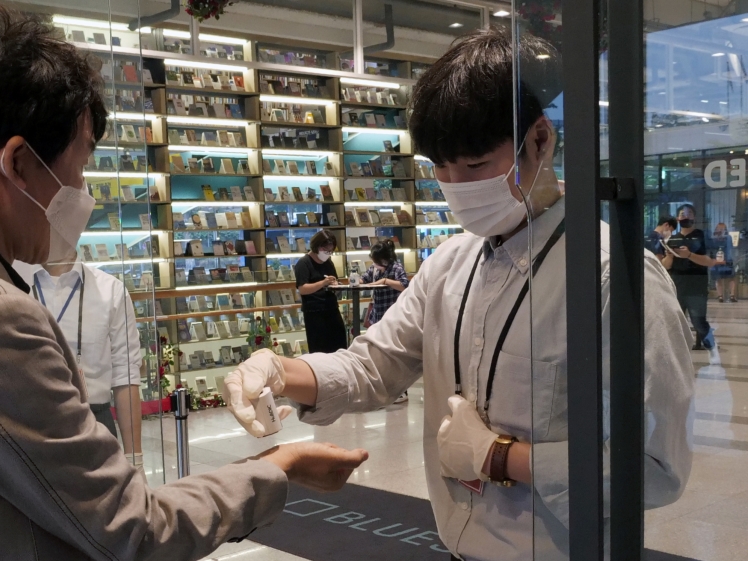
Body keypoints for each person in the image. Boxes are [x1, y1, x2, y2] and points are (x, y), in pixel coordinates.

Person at [0, 7, 368, 560]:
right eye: (81, 159)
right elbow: (135, 531)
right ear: (19, 163)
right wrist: (277, 468)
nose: (83, 187)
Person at [223, 28, 694, 561]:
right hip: (454, 547)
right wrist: (281, 371)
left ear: (540, 139)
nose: (457, 186)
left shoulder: (611, 275)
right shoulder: (450, 262)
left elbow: (655, 468)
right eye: (440, 170)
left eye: (474, 167)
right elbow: (373, 367)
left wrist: (502, 457)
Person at [13, 256, 145, 466]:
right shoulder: (9, 283)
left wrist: (135, 461)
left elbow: (126, 374)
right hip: (26, 424)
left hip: (94, 421)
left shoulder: (111, 291)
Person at [665, 204, 721, 362]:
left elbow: (710, 261)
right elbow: (666, 265)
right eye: (682, 214)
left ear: (694, 218)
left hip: (697, 285)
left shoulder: (703, 236)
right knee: (676, 320)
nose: (685, 217)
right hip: (677, 285)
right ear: (677, 218)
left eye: (689, 214)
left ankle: (712, 349)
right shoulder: (672, 239)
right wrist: (670, 255)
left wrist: (688, 254)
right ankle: (677, 354)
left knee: (699, 320)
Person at [360, 239, 410, 403]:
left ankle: (401, 391)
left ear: (384, 259)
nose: (374, 264)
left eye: (376, 261)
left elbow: (405, 285)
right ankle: (382, 388)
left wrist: (386, 281)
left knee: (394, 354)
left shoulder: (396, 267)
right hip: (378, 315)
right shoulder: (375, 268)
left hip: (393, 316)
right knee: (378, 353)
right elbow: (364, 279)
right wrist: (358, 280)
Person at [294, 229, 348, 353]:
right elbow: (302, 289)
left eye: (330, 251)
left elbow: (334, 280)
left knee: (339, 346)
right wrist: (322, 283)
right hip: (314, 312)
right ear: (317, 246)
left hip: (332, 308)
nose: (328, 254)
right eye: (326, 250)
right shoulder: (303, 263)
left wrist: (335, 284)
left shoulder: (328, 262)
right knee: (320, 349)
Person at [711, 222, 736, 303]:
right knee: (718, 278)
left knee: (731, 278)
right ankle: (720, 296)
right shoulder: (713, 238)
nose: (721, 230)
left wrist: (728, 260)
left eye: (723, 228)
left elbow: (730, 248)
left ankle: (732, 296)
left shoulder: (728, 238)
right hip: (717, 261)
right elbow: (711, 249)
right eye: (719, 228)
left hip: (727, 260)